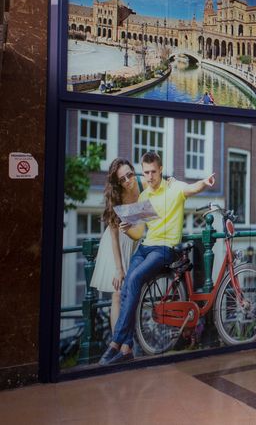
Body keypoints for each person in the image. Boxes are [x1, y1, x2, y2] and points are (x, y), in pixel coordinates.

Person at [98, 151, 215, 365]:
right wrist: (126, 229)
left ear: (160, 170)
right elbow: (138, 232)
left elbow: (191, 188)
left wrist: (205, 183)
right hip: (145, 247)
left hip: (163, 249)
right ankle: (127, 347)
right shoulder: (144, 197)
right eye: (146, 173)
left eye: (153, 171)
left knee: (133, 280)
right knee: (126, 286)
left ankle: (116, 344)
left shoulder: (174, 187)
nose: (149, 176)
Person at [90, 159, 142, 335]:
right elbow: (113, 234)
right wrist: (119, 269)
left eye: (130, 174)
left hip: (135, 241)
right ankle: (117, 342)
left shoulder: (142, 184)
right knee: (118, 293)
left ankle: (132, 342)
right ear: (117, 182)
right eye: (122, 179)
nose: (128, 180)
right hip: (117, 244)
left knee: (133, 295)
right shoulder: (116, 195)